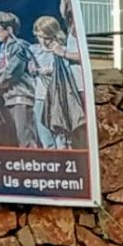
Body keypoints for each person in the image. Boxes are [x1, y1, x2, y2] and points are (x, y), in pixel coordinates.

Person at [30, 15, 85, 148]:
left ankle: (63, 153)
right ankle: (50, 155)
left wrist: (51, 69)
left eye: (47, 38)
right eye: (40, 37)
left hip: (57, 97)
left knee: (60, 129)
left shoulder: (61, 50)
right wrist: (32, 68)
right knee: (43, 131)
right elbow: (29, 67)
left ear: (54, 35)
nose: (44, 41)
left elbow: (67, 70)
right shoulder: (34, 50)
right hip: (40, 95)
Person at [0, 11, 36, 148]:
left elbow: (10, 73)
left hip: (21, 96)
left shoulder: (19, 46)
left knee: (25, 138)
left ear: (9, 29)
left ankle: (31, 160)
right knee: (14, 140)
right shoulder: (3, 48)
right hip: (8, 97)